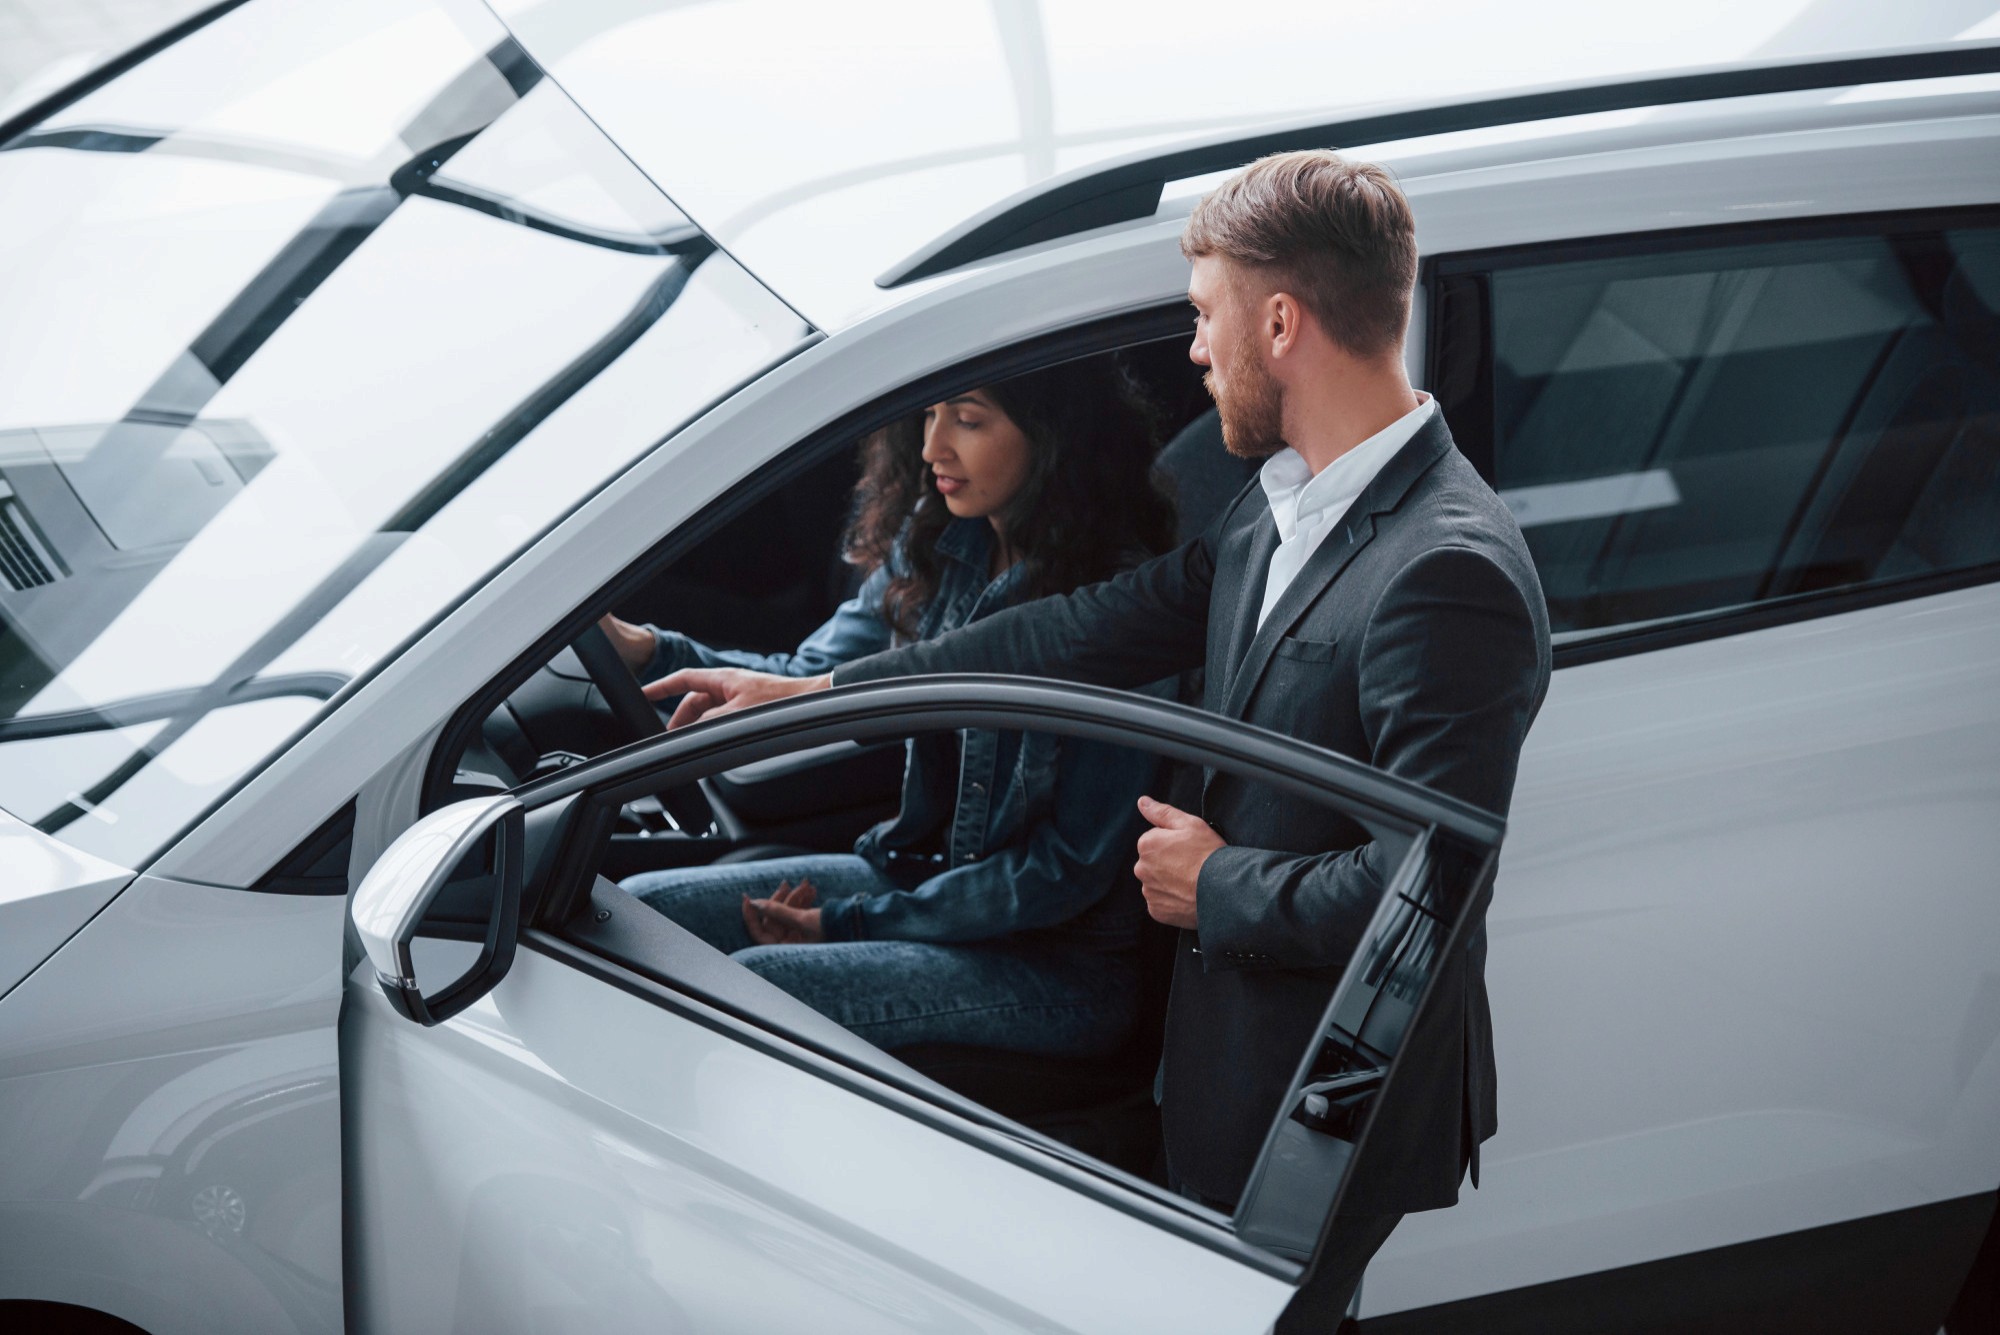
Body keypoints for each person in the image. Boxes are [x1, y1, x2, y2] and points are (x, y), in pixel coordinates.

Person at [649, 151, 1553, 1322]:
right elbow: (1068, 635)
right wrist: (825, 699)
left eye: (1202, 318)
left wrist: (1217, 882)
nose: (1193, 351)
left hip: (1324, 1084)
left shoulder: (1444, 569)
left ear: (1277, 322)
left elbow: (1425, 895)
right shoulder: (1275, 508)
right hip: (1227, 1054)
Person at [605, 356, 1178, 1059]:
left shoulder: (1117, 611)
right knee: (639, 913)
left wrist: (852, 922)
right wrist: (646, 649)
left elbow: (1061, 873)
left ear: (1053, 434)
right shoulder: (938, 543)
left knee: (756, 986)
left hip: (1054, 960)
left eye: (967, 420)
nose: (934, 445)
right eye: (931, 414)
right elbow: (807, 677)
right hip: (925, 878)